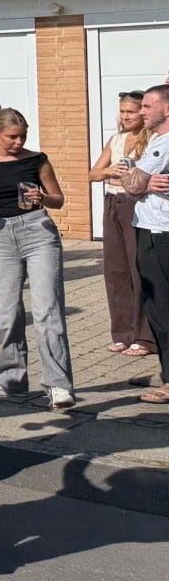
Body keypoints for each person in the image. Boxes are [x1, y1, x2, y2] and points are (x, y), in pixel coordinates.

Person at [0, 110, 72, 408]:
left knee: (47, 310)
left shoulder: (36, 159)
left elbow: (58, 199)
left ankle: (58, 384)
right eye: (12, 136)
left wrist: (43, 198)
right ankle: (10, 379)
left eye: (22, 135)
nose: (18, 141)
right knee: (7, 312)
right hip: (0, 236)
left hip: (38, 231)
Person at [89, 93, 154, 358]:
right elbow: (92, 173)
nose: (125, 116)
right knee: (116, 271)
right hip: (112, 204)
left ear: (144, 113)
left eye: (131, 111)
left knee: (139, 270)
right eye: (122, 111)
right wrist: (109, 172)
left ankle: (145, 336)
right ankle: (122, 333)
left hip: (136, 205)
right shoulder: (115, 140)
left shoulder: (153, 141)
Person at [123, 85, 169, 405]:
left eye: (148, 106)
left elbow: (130, 184)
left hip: (157, 234)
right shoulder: (156, 141)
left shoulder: (163, 144)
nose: (142, 111)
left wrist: (137, 178)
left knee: (161, 309)